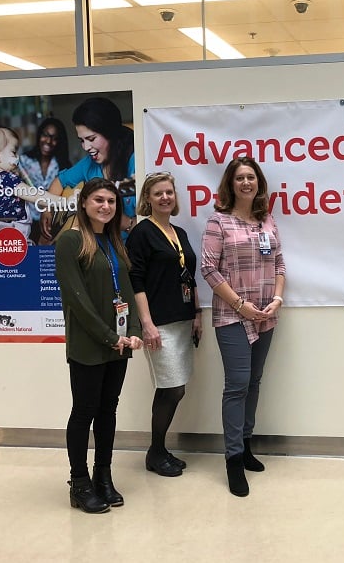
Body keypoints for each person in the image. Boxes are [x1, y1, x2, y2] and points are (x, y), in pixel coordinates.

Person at [55, 178, 143, 514]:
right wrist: (110, 336)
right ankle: (79, 483)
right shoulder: (70, 242)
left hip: (118, 343)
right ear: (85, 202)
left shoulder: (114, 241)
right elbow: (77, 300)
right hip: (90, 343)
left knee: (108, 410)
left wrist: (132, 330)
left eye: (111, 201)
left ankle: (102, 476)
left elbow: (128, 293)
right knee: (84, 411)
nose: (106, 206)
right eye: (99, 200)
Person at [200, 157, 285, 498]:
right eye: (240, 178)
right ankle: (233, 459)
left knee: (254, 382)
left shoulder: (268, 221)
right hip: (232, 315)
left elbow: (279, 263)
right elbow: (208, 269)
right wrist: (240, 305)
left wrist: (276, 300)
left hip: (265, 314)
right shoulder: (218, 221)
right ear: (230, 184)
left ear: (258, 183)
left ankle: (246, 445)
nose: (246, 183)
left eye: (251, 177)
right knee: (236, 385)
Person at [126, 172, 202, 478]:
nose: (165, 198)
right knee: (172, 388)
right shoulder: (141, 233)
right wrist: (146, 323)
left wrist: (197, 314)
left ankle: (158, 450)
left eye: (169, 192)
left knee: (174, 388)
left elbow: (189, 276)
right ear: (148, 198)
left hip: (182, 320)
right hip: (159, 324)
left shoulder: (179, 233)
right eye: (158, 193)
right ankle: (155, 451)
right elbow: (136, 281)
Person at [41, 97, 136, 242]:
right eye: (82, 140)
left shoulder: (135, 160)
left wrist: (127, 224)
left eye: (91, 139)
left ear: (110, 133)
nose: (85, 147)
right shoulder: (88, 164)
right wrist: (47, 210)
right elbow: (60, 181)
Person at [17, 118, 71, 244]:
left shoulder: (64, 166)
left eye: (54, 138)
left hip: (51, 223)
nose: (48, 141)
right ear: (39, 135)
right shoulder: (23, 161)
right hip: (25, 221)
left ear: (59, 142)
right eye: (45, 135)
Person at [0, 126, 31, 237]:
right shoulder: (7, 179)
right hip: (13, 235)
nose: (17, 157)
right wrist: (62, 201)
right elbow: (35, 195)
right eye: (13, 152)